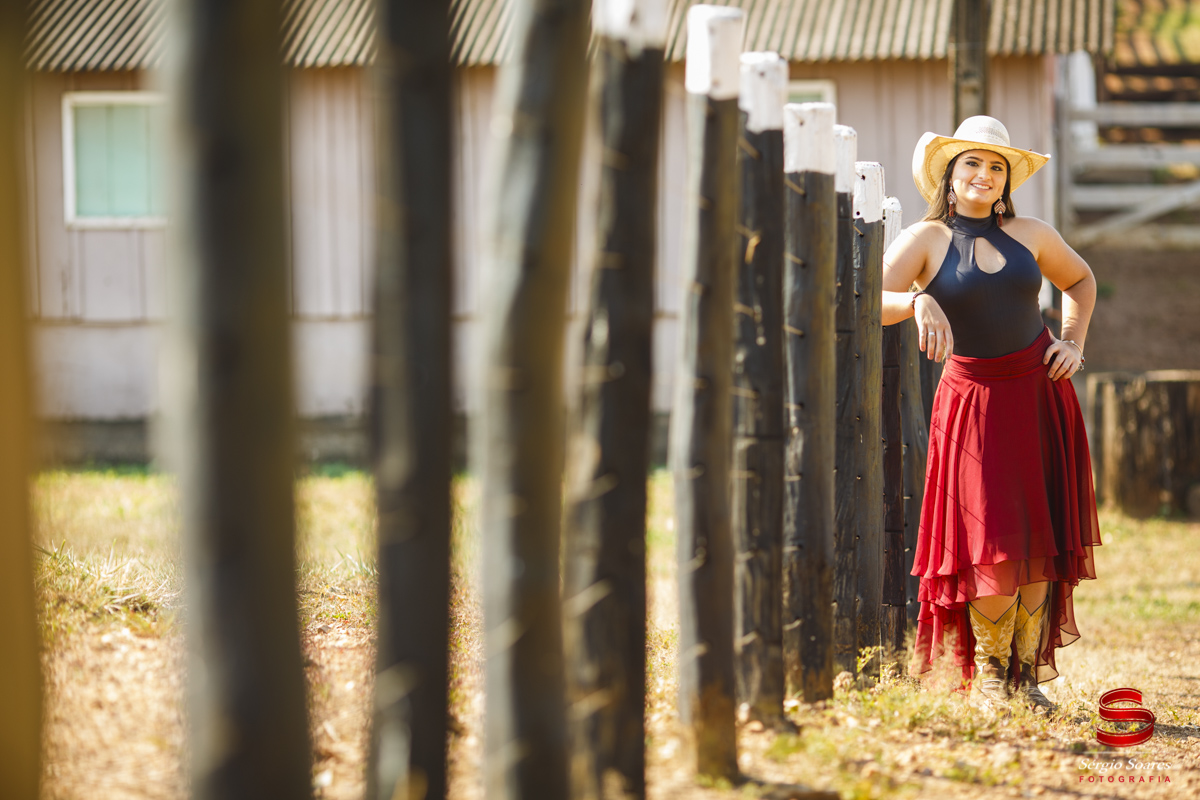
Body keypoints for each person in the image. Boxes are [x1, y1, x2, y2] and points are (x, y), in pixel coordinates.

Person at [880, 116, 1102, 713]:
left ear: (1006, 182)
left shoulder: (1031, 232)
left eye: (996, 166)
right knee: (987, 541)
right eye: (971, 163)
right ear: (949, 178)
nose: (984, 175)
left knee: (1039, 536)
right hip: (972, 403)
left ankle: (1021, 677)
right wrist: (918, 298)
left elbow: (1079, 280)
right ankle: (991, 680)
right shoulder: (925, 241)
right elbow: (868, 299)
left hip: (1039, 392)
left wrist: (1074, 343)